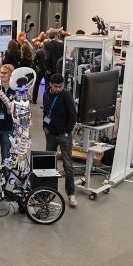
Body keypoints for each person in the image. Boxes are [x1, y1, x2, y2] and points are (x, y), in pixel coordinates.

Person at [43, 73, 78, 207]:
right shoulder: (46, 94)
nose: (58, 88)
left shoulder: (66, 95)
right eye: (55, 86)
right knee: (49, 164)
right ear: (50, 85)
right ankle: (50, 192)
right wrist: (44, 126)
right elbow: (46, 112)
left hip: (64, 135)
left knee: (68, 166)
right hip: (50, 134)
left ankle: (71, 193)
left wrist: (67, 131)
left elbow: (73, 116)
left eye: (60, 86)